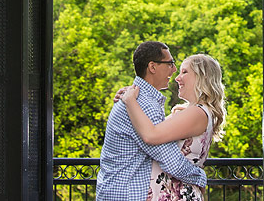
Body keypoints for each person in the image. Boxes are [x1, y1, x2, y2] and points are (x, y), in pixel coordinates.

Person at [96, 41, 208, 201]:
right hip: (127, 195)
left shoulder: (136, 99)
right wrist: (200, 179)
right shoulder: (143, 104)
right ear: (152, 67)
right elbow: (170, 159)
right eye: (170, 63)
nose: (174, 70)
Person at [121, 53, 226, 201]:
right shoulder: (193, 111)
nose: (177, 78)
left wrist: (130, 101)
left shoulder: (197, 113)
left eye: (184, 72)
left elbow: (150, 135)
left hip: (177, 196)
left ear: (202, 77)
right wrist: (131, 94)